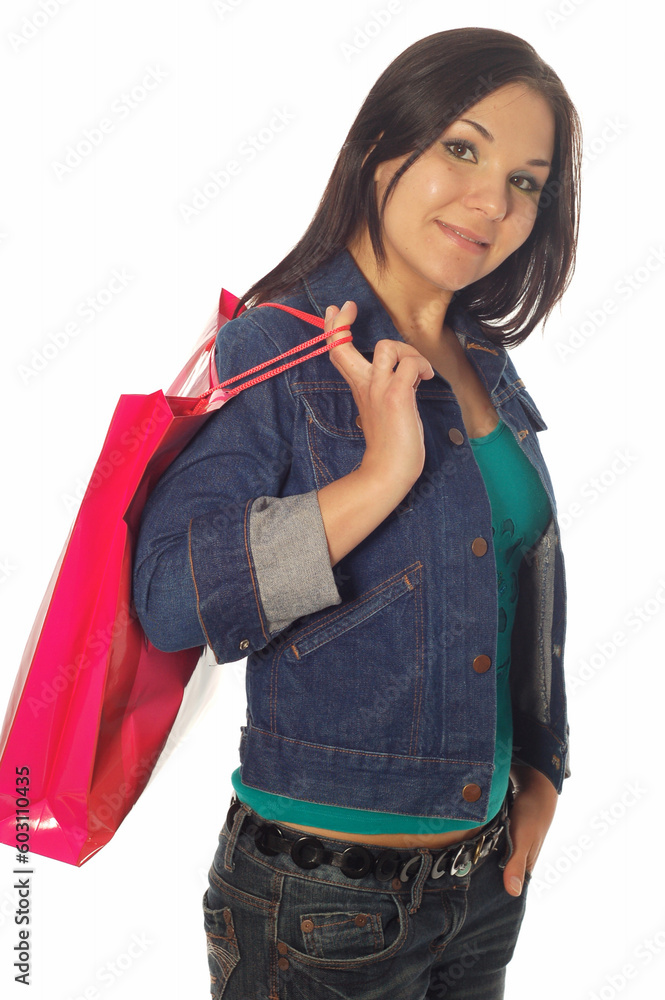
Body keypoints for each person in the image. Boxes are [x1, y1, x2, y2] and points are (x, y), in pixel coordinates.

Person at [132, 26, 580, 1000]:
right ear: (382, 146)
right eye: (461, 149)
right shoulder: (280, 349)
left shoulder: (488, 371)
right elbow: (169, 597)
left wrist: (542, 774)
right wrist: (378, 476)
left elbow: (523, 582)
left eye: (525, 181)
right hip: (318, 912)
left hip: (479, 897)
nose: (490, 201)